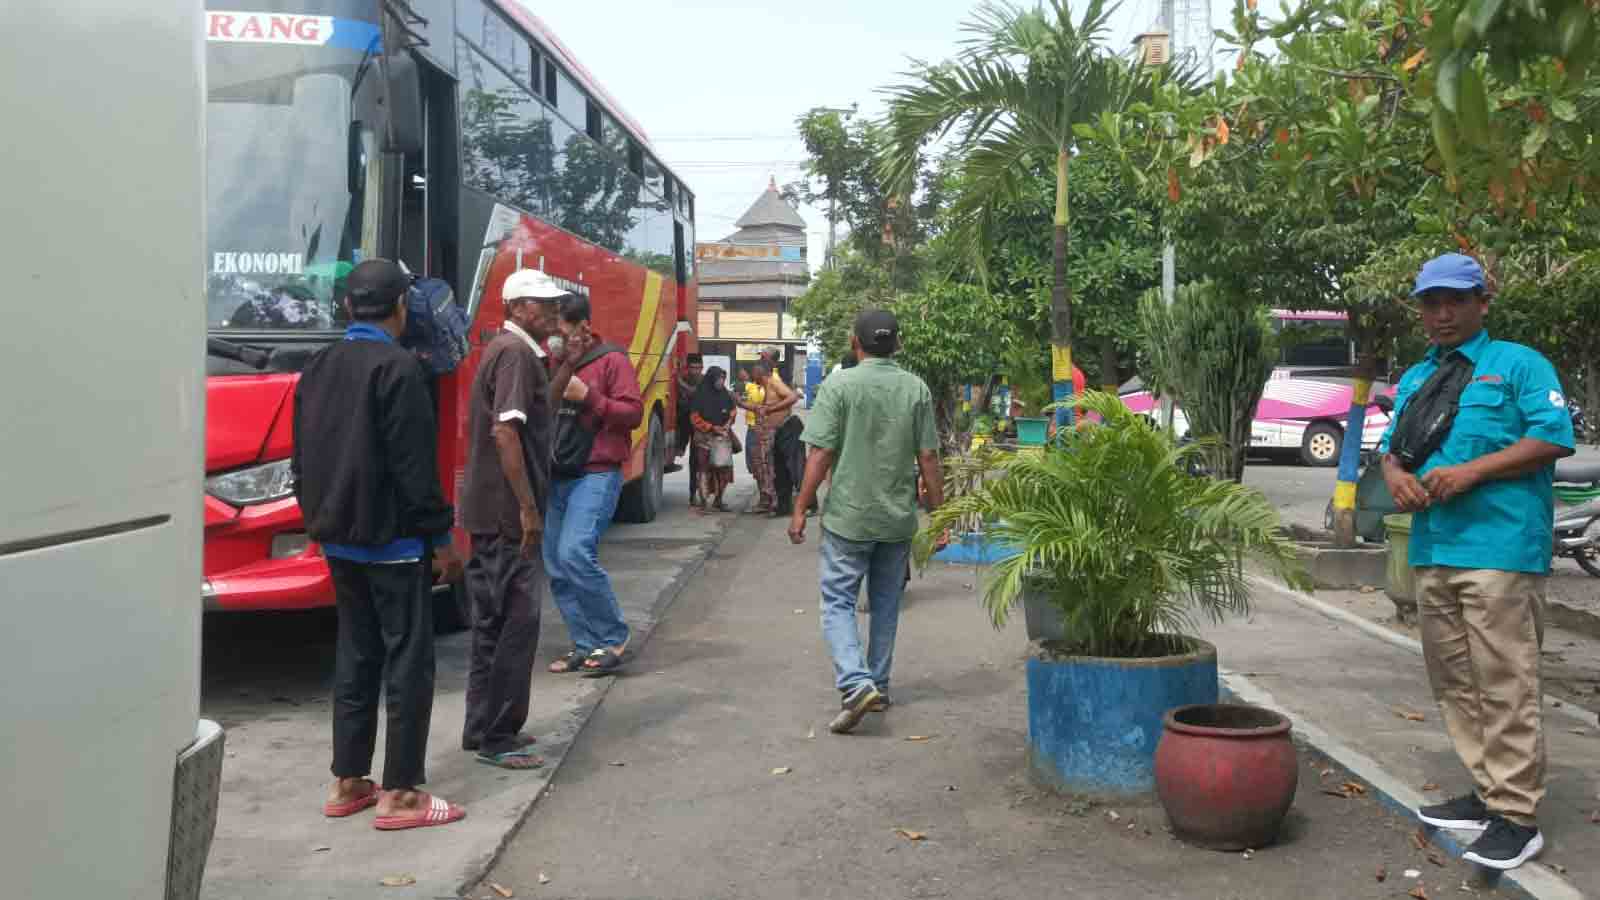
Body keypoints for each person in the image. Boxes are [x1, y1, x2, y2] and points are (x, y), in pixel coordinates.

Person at [1379, 253, 1574, 870]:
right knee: (1455, 680)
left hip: (1499, 549)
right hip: (1434, 548)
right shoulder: (1416, 377)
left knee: (1504, 681)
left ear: (1481, 303)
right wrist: (1396, 478)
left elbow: (1552, 436)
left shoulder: (1517, 364)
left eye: (1454, 301)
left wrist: (1470, 472)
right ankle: (1488, 793)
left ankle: (1517, 817)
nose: (1441, 314)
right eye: (1430, 303)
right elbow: (1391, 451)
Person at [291, 258, 465, 830]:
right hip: (394, 543)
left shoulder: (316, 367)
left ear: (347, 307)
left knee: (355, 656)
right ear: (400, 309)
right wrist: (440, 537)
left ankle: (348, 781)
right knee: (407, 664)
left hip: (338, 541)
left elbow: (302, 461)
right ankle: (403, 795)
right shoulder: (400, 369)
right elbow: (416, 471)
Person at [789, 309, 942, 734]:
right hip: (896, 520)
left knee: (838, 602)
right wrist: (940, 514)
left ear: (856, 343)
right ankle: (879, 684)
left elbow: (819, 454)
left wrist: (801, 506)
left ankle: (857, 684)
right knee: (886, 604)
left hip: (848, 520)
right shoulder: (916, 389)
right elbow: (928, 458)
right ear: (897, 344)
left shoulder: (839, 384)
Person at [458, 269, 562, 770]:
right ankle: (496, 735)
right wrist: (526, 507)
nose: (554, 312)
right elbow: (506, 434)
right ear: (520, 308)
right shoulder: (516, 354)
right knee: (514, 624)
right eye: (545, 304)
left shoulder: (511, 351)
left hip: (493, 511)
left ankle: (484, 727)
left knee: (493, 623)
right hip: (506, 516)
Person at [544, 295, 644, 677]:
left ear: (582, 325)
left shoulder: (612, 360)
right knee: (555, 564)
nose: (555, 336)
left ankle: (613, 635)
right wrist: (563, 364)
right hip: (558, 472)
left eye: (560, 327)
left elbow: (632, 414)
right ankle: (585, 644)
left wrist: (590, 398)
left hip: (596, 471)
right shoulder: (555, 362)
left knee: (574, 553)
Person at [688, 366, 739, 512]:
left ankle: (719, 500)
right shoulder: (700, 394)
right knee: (704, 470)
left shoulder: (725, 395)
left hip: (722, 438)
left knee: (724, 469)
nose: (721, 381)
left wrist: (728, 424)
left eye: (723, 378)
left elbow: (733, 411)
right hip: (704, 439)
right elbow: (694, 417)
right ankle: (704, 501)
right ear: (711, 378)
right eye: (719, 378)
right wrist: (711, 427)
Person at [739, 365, 774, 509]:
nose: (752, 375)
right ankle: (765, 497)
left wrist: (746, 404)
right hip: (753, 428)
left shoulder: (772, 386)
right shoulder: (751, 386)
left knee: (762, 465)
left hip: (762, 430)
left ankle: (767, 499)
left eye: (754, 373)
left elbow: (761, 407)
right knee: (755, 465)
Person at [674, 354, 706, 506]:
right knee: (694, 462)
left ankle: (701, 493)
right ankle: (693, 494)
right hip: (688, 426)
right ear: (688, 368)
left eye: (698, 368)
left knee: (700, 463)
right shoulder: (684, 379)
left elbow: (694, 392)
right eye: (693, 368)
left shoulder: (706, 380)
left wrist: (679, 382)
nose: (696, 371)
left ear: (702, 368)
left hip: (703, 428)